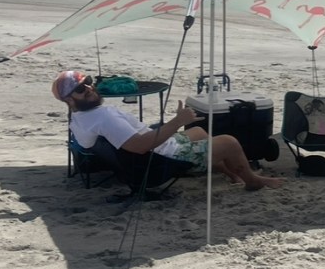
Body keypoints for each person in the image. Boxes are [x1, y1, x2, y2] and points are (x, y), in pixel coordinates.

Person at [52, 70, 282, 191]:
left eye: (89, 83)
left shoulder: (79, 119)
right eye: (81, 89)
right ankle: (252, 180)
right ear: (68, 99)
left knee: (200, 133)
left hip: (147, 156)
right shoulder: (104, 117)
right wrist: (177, 122)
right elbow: (141, 146)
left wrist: (171, 127)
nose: (90, 89)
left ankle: (232, 173)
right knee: (230, 141)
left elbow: (132, 142)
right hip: (158, 161)